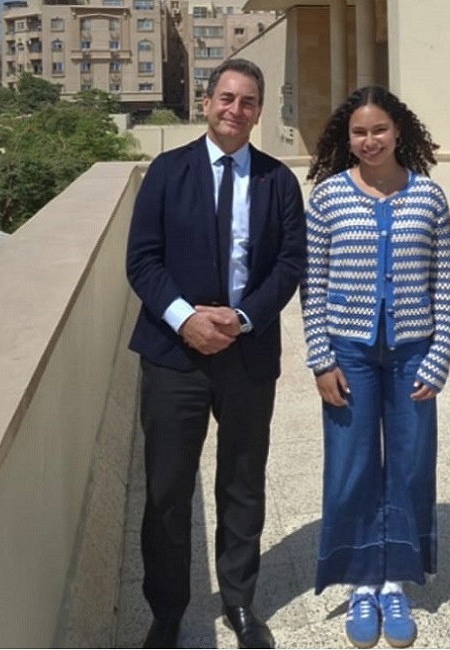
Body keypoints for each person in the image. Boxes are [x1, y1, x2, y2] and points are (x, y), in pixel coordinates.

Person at [126, 58, 306, 649]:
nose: (235, 109)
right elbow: (143, 261)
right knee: (169, 489)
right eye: (226, 98)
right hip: (174, 354)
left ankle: (239, 602)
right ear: (206, 103)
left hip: (247, 353)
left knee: (242, 482)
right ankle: (168, 609)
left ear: (258, 111)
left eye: (248, 101)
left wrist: (243, 317)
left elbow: (289, 266)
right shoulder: (166, 172)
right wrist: (187, 321)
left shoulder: (278, 181)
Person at [300, 86, 450, 649]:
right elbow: (311, 286)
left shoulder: (428, 198)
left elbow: (445, 281)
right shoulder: (327, 199)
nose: (370, 141)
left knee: (412, 465)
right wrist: (320, 358)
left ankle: (396, 580)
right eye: (359, 133)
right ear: (347, 138)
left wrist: (439, 355)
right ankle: (361, 580)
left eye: (379, 130)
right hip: (350, 354)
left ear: (399, 133)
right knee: (352, 463)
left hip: (414, 351)